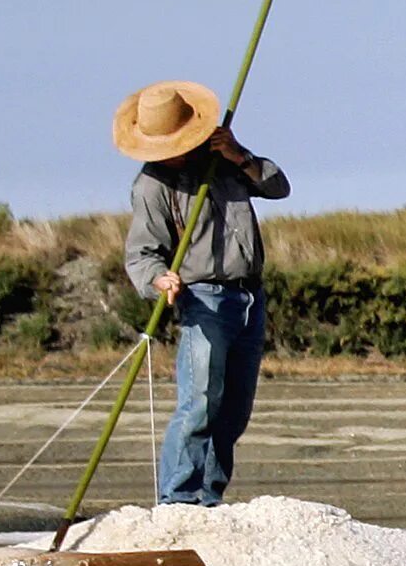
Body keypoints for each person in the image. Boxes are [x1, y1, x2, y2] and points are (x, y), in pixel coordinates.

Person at [117, 81, 290, 506]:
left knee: (233, 412)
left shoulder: (223, 158)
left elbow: (277, 187)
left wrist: (241, 157)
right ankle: (178, 500)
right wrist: (160, 279)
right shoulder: (151, 186)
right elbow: (142, 254)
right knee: (199, 404)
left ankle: (210, 498)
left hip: (250, 296)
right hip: (203, 299)